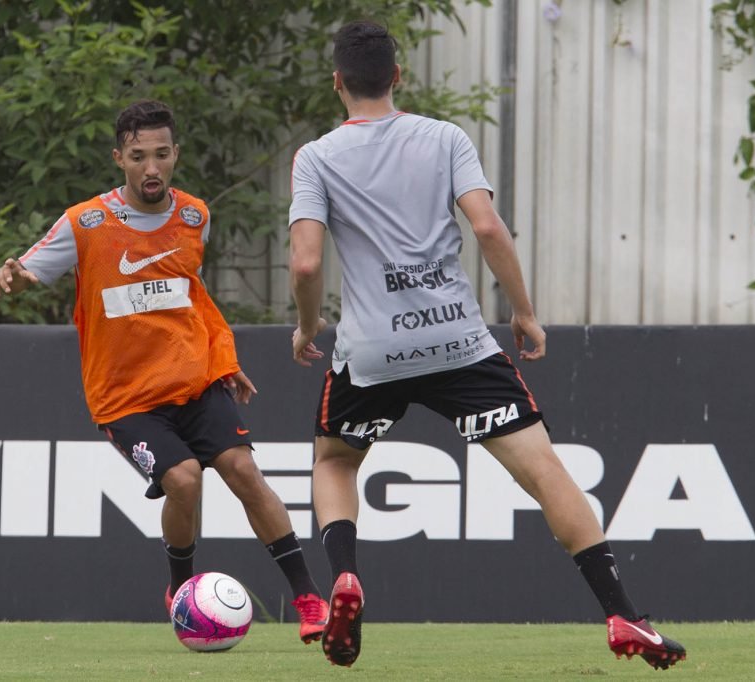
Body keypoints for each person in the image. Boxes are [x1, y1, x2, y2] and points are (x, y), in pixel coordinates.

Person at [288, 21, 686, 670]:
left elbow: (305, 266)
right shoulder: (444, 138)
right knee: (545, 470)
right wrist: (523, 313)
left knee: (335, 463)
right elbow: (487, 227)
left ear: (337, 82)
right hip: (459, 342)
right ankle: (622, 613)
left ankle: (345, 578)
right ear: (398, 77)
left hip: (373, 352)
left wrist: (307, 327)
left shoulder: (317, 158)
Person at [0, 99, 329, 643]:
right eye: (138, 156)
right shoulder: (86, 223)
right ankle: (180, 586)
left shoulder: (195, 215)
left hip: (195, 383)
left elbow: (191, 295)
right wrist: (15, 275)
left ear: (176, 154)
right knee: (184, 479)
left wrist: (224, 359)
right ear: (119, 159)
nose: (152, 168)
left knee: (244, 472)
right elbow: (31, 269)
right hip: (125, 398)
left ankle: (310, 597)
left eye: (162, 154)